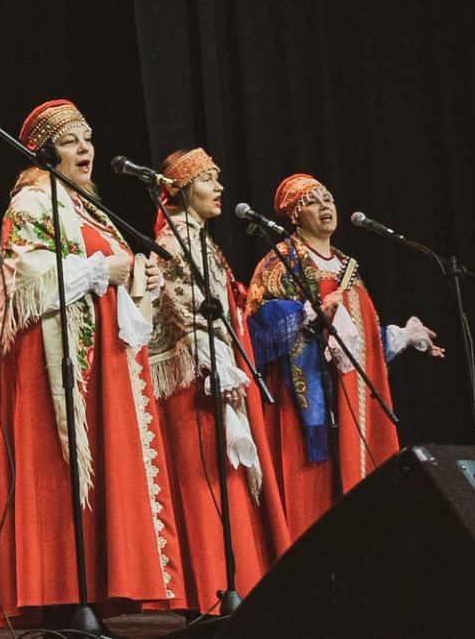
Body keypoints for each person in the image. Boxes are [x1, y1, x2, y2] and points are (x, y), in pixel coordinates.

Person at [0, 99, 182, 629]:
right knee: (58, 470)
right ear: (45, 150)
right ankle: (60, 593)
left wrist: (140, 281)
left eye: (88, 140)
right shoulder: (32, 201)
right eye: (72, 141)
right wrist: (104, 269)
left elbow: (109, 277)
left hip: (98, 361)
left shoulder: (90, 209)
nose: (86, 149)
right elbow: (25, 274)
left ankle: (90, 590)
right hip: (51, 365)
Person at [245, 173, 443, 537]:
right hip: (308, 406)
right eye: (314, 201)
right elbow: (257, 328)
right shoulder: (280, 262)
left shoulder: (348, 266)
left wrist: (404, 336)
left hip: (354, 400)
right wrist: (308, 312)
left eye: (329, 199)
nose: (326, 207)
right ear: (293, 213)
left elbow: (360, 339)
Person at [146, 148, 290, 614]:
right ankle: (212, 589)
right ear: (184, 188)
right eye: (209, 179)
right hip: (198, 375)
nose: (220, 188)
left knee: (221, 478)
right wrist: (215, 360)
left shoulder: (194, 237)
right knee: (207, 479)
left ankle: (225, 585)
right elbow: (181, 307)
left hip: (211, 368)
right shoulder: (179, 236)